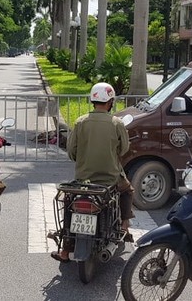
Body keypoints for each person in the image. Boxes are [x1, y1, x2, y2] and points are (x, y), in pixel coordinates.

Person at [51, 82, 133, 263]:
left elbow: (72, 152)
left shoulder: (80, 122)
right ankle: (125, 226)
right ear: (110, 102)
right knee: (127, 190)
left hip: (83, 180)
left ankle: (65, 251)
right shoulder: (116, 123)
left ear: (92, 100)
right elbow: (124, 149)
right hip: (110, 179)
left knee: (69, 204)